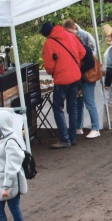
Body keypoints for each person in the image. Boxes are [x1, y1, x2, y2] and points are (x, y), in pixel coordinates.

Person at [40, 20, 86, 149]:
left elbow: (49, 66)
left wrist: (55, 71)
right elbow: (82, 52)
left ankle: (65, 139)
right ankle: (72, 137)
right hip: (75, 76)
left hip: (61, 78)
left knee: (58, 108)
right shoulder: (70, 35)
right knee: (72, 107)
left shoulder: (49, 43)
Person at [64, 20, 101, 139]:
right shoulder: (78, 44)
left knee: (89, 102)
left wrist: (78, 72)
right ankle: (78, 127)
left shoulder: (84, 46)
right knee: (79, 103)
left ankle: (95, 127)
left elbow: (90, 62)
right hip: (79, 80)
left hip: (85, 79)